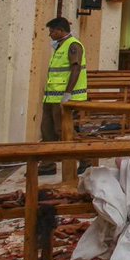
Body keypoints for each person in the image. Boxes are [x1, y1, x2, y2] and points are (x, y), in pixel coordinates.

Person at [40, 17, 88, 175]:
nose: (50, 35)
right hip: (51, 97)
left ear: (61, 30)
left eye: (52, 31)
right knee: (47, 131)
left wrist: (67, 94)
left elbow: (76, 69)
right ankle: (48, 164)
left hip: (63, 97)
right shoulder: (59, 46)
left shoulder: (73, 45)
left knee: (63, 130)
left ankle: (86, 159)